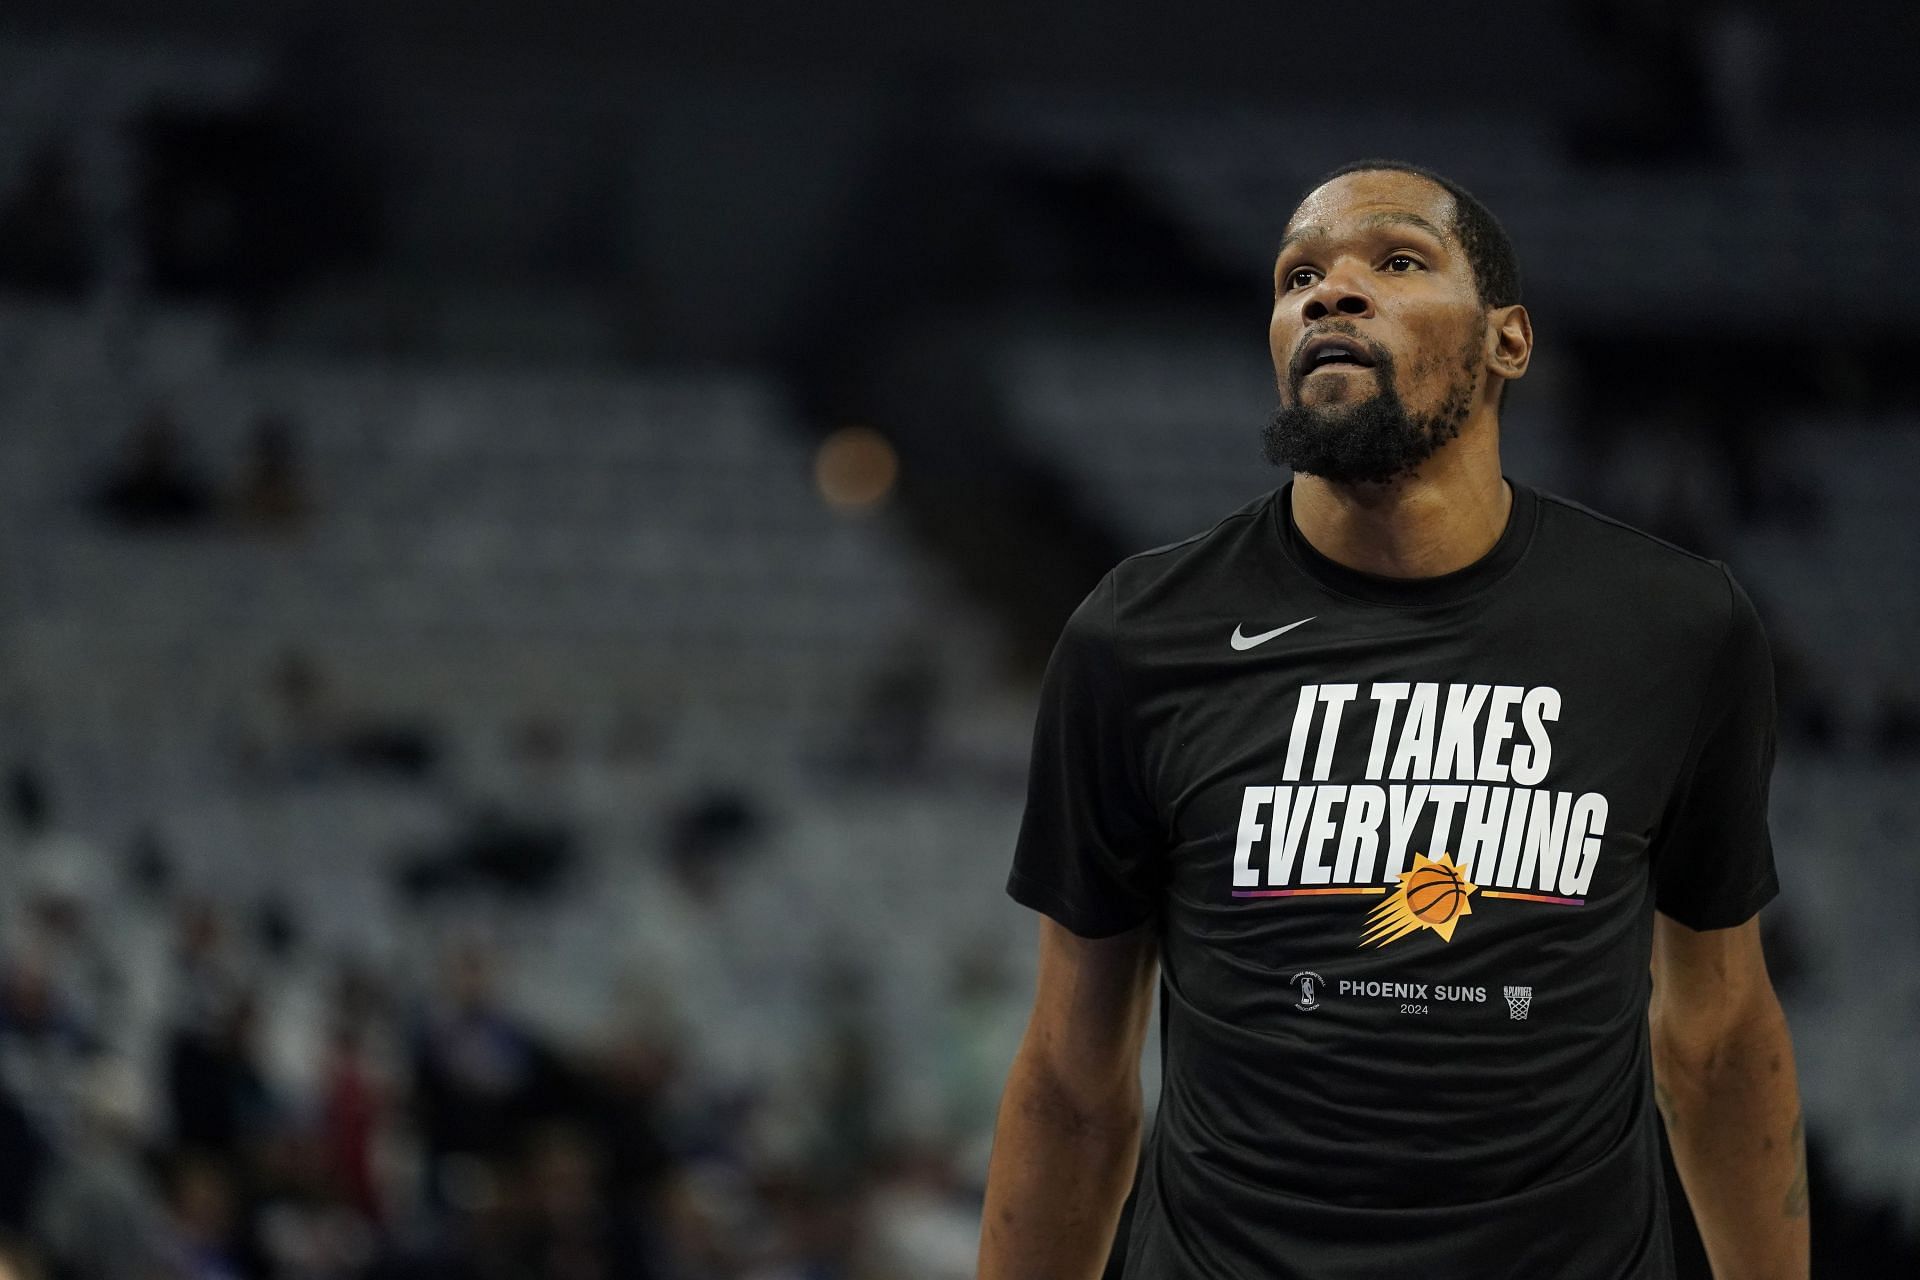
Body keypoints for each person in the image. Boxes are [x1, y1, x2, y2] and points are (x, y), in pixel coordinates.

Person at [978, 161, 1806, 1280]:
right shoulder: (1137, 636)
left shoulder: (1676, 627)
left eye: (1398, 260)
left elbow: (1716, 1037)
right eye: (1299, 275)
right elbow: (1075, 1083)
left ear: (1509, 341)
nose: (1331, 292)